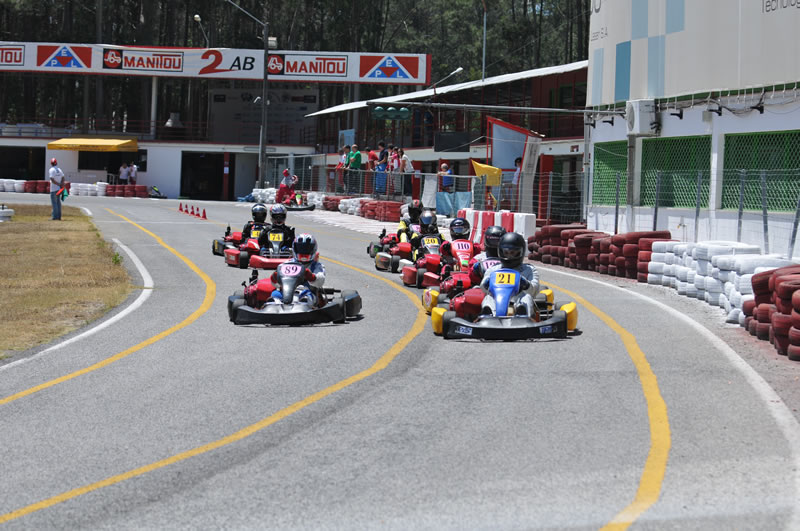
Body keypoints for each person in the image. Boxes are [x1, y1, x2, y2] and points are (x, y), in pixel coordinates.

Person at [480, 231, 540, 316]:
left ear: (521, 252)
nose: (509, 256)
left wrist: (526, 284)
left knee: (527, 297)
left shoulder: (529, 270)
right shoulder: (493, 269)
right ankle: (488, 316)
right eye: (506, 253)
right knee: (488, 298)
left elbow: (534, 290)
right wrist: (486, 283)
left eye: (512, 253)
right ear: (500, 252)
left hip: (518, 300)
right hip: (497, 301)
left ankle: (522, 315)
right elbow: (482, 288)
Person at [271, 233, 326, 307]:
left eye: (306, 249)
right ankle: (273, 307)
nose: (303, 252)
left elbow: (320, 281)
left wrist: (311, 276)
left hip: (307, 292)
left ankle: (304, 307)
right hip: (287, 292)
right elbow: (276, 285)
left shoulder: (316, 266)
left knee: (307, 297)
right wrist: (275, 278)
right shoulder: (287, 264)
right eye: (301, 248)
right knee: (275, 295)